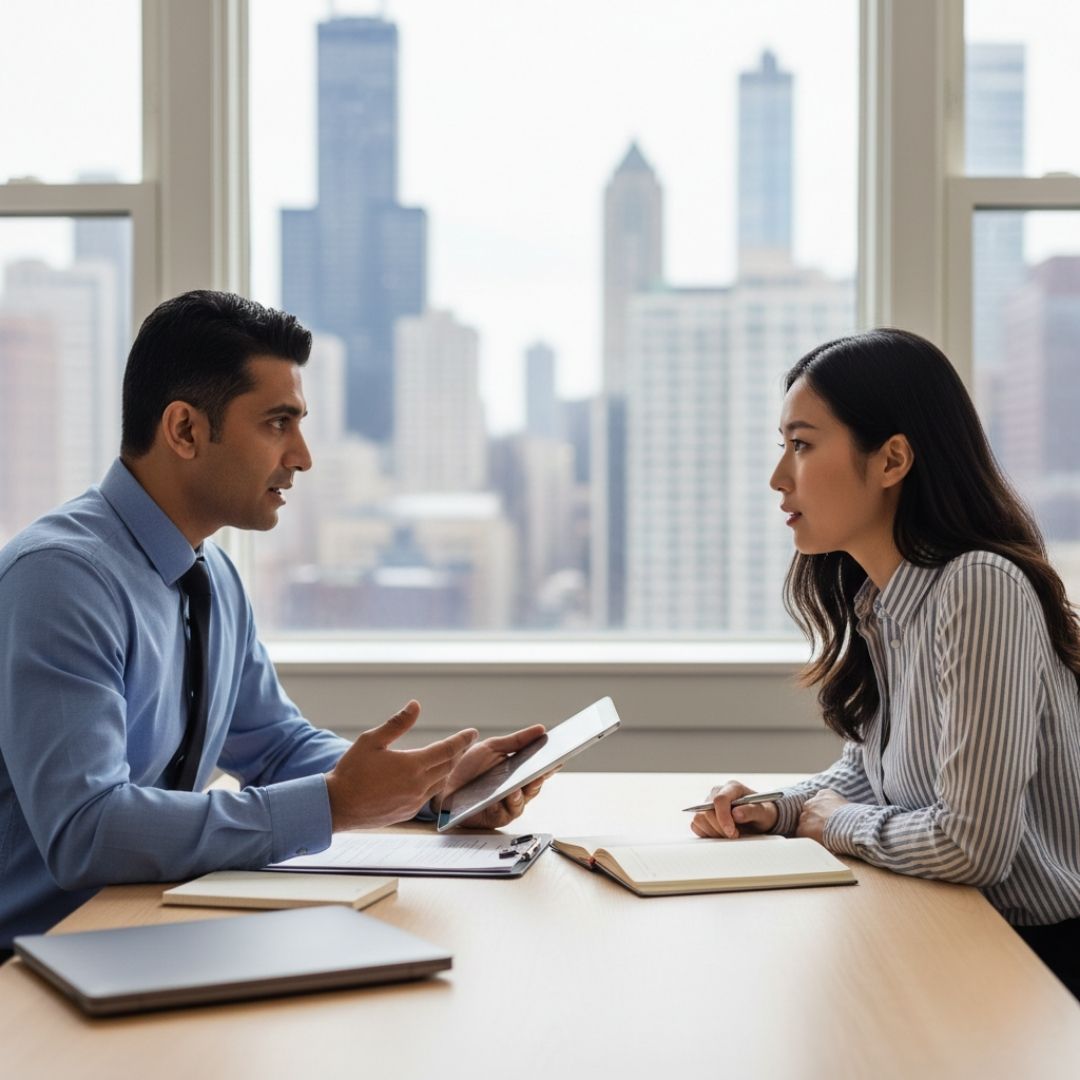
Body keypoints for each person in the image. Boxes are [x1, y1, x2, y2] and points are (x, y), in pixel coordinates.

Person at [0, 290, 548, 958]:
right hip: (32, 961)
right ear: (185, 430)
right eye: (277, 423)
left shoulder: (215, 577)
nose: (303, 456)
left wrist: (430, 786)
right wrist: (333, 805)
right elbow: (86, 831)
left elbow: (276, 748)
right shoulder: (61, 577)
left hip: (147, 931)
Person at [691, 328, 1080, 999]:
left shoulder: (979, 587)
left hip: (1037, 968)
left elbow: (971, 844)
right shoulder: (885, 604)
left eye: (802, 445)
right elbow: (870, 776)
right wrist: (776, 808)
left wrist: (826, 820)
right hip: (956, 939)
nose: (779, 477)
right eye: (783, 446)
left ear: (892, 460)